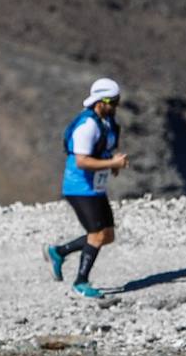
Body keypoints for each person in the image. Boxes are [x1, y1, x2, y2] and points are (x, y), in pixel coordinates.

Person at [44, 77, 129, 299]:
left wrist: (113, 163)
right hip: (79, 188)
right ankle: (81, 282)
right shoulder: (87, 126)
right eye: (112, 101)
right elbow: (82, 161)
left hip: (95, 187)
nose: (116, 105)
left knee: (107, 235)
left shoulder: (108, 122)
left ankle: (59, 252)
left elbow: (101, 151)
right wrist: (112, 164)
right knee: (96, 234)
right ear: (100, 101)